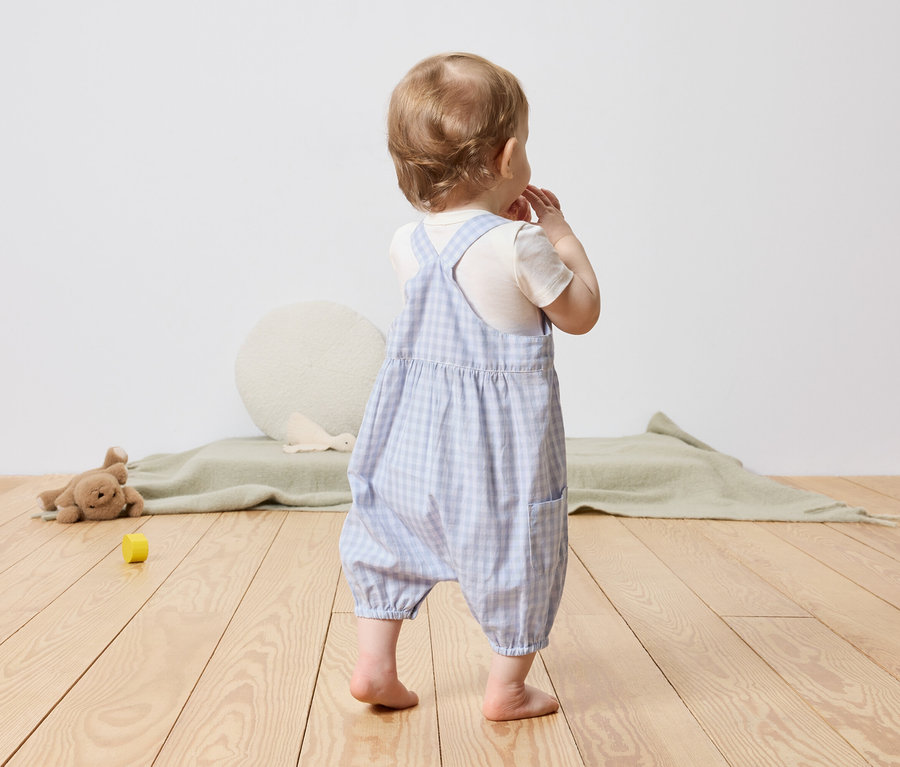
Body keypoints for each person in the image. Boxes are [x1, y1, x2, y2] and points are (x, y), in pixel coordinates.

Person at [339, 52, 600, 721]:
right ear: (509, 154)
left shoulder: (408, 242)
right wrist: (561, 236)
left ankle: (374, 663)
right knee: (519, 546)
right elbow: (580, 313)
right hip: (495, 458)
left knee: (388, 536)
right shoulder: (520, 245)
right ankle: (507, 688)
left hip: (411, 440)